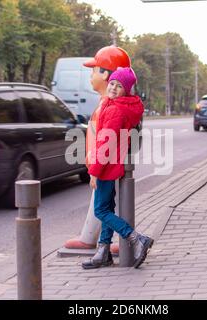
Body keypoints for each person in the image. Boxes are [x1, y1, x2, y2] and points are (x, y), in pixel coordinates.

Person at [81, 67, 154, 269]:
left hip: (106, 166)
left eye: (119, 86)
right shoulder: (119, 104)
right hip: (112, 163)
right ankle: (103, 251)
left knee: (101, 210)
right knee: (107, 207)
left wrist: (94, 172)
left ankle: (135, 238)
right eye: (112, 83)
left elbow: (105, 144)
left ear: (127, 90)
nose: (113, 87)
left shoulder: (114, 109)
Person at [64, 46, 131, 252]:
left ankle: (127, 237)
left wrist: (94, 168)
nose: (91, 75)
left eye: (94, 70)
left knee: (102, 205)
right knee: (105, 203)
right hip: (106, 163)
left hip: (104, 164)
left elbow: (104, 140)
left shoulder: (107, 107)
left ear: (105, 74)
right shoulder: (110, 104)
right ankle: (102, 242)